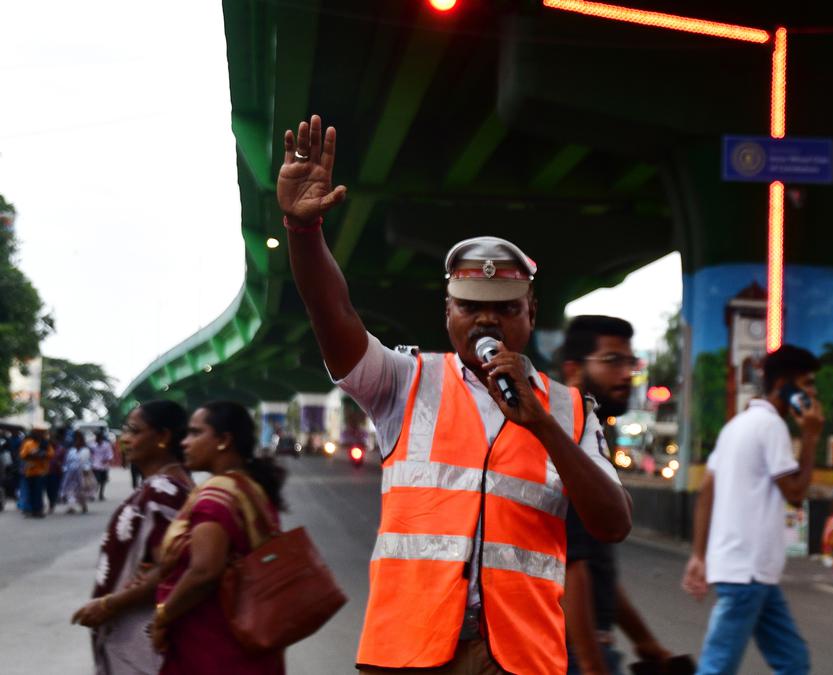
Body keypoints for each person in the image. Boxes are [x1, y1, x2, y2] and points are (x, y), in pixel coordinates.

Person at [275, 114, 631, 674]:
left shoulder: (568, 410)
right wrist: (303, 233)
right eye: (470, 306)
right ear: (448, 314)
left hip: (518, 657)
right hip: (410, 651)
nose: (487, 319)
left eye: (506, 308)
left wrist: (541, 424)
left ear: (531, 314)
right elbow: (334, 312)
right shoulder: (402, 381)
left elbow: (613, 523)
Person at [682, 345, 823, 675]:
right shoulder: (771, 427)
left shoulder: (736, 425)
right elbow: (796, 493)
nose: (813, 392)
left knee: (794, 662)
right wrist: (811, 437)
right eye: (807, 383)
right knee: (717, 666)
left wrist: (699, 555)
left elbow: (706, 492)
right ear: (784, 386)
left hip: (753, 572)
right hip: (747, 571)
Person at [559, 315, 674, 674]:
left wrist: (643, 639)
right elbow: (571, 567)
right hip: (572, 654)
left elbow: (595, 564)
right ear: (574, 371)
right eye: (612, 361)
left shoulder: (589, 434)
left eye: (630, 363)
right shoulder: (568, 440)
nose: (626, 374)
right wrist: (593, 666)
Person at [151, 401, 288, 674]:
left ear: (224, 440)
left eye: (195, 433)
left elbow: (204, 571)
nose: (185, 443)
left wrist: (162, 617)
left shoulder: (215, 498)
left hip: (213, 645)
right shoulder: (249, 487)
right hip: (250, 640)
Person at [72, 401, 194, 675]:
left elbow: (172, 570)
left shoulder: (164, 492)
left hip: (142, 639)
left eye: (134, 431)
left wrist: (108, 604)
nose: (125, 439)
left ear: (163, 437)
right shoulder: (164, 485)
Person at [19, 423, 54, 518]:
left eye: (41, 433)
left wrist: (42, 454)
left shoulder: (45, 444)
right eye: (37, 432)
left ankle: (38, 510)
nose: (39, 434)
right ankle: (31, 510)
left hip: (41, 471)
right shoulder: (28, 443)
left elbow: (51, 454)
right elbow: (22, 455)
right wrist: (32, 454)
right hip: (30, 471)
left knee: (38, 492)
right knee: (30, 491)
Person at [60, 431, 95, 514]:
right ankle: (71, 506)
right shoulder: (71, 451)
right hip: (70, 474)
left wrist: (86, 470)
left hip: (82, 473)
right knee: (70, 490)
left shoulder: (86, 450)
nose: (76, 442)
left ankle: (83, 505)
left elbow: (89, 462)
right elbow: (66, 462)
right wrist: (64, 469)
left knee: (80, 491)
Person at [45, 427, 67, 513]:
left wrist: (60, 464)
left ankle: (52, 503)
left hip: (57, 472)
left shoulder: (61, 449)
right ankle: (51, 502)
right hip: (47, 471)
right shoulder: (47, 448)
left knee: (55, 489)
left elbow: (65, 461)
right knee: (48, 489)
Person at [92, 431, 115, 501]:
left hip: (104, 466)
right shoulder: (93, 446)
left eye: (98, 439)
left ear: (101, 439)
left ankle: (101, 494)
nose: (96, 440)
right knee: (96, 481)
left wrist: (107, 459)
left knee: (103, 481)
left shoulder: (106, 445)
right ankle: (92, 494)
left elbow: (110, 455)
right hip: (95, 466)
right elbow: (90, 454)